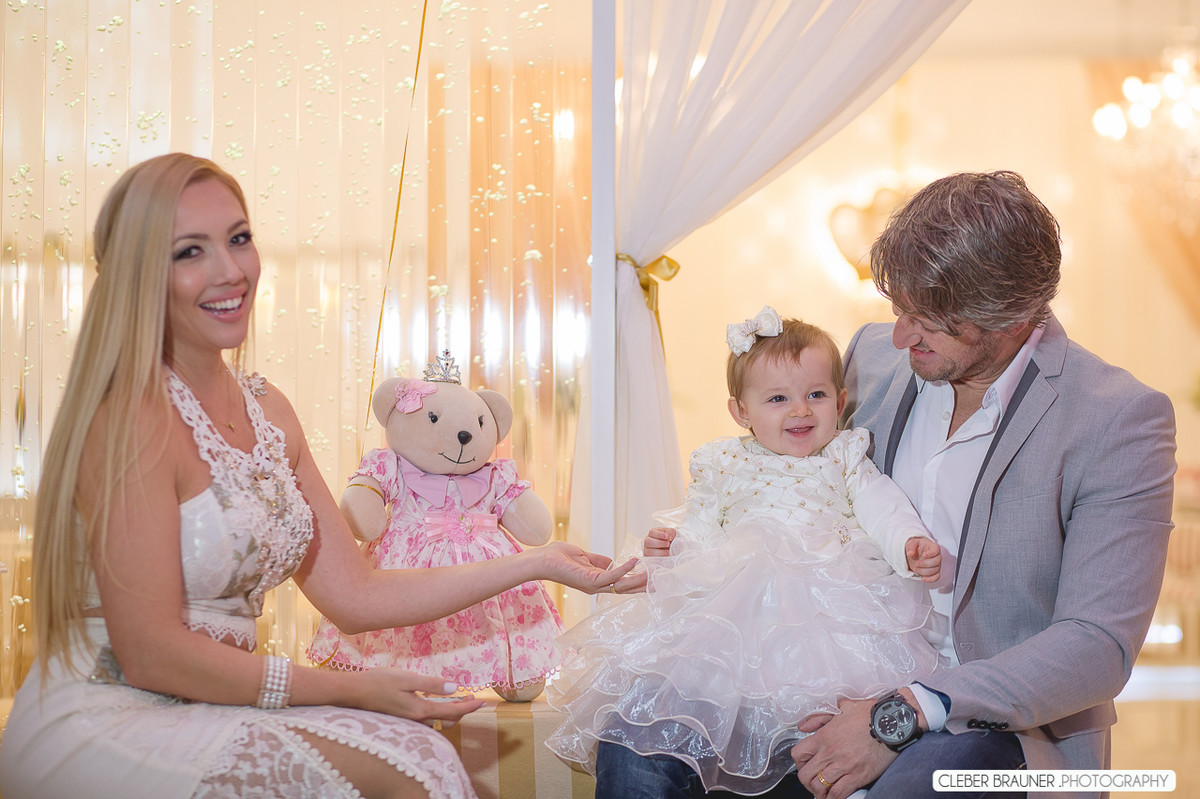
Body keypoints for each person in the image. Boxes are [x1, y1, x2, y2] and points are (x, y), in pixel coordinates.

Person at [0, 152, 637, 799]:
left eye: (238, 238)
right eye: (190, 251)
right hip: (107, 715)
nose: (230, 270)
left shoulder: (269, 410)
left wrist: (536, 563)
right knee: (412, 769)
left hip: (210, 705)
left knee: (427, 755)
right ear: (139, 275)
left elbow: (355, 593)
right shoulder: (129, 418)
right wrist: (354, 686)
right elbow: (151, 653)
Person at [620, 171, 1176, 799]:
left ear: (1013, 314)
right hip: (832, 676)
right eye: (899, 309)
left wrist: (907, 708)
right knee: (638, 743)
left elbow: (1098, 646)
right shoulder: (871, 358)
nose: (901, 336)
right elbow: (787, 483)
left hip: (1001, 726)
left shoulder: (1116, 417)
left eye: (929, 321)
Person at [549, 307, 945, 796]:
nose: (800, 410)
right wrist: (668, 554)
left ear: (840, 401)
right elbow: (698, 527)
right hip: (729, 621)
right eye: (777, 398)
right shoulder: (723, 461)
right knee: (654, 718)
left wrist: (907, 542)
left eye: (816, 395)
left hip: (825, 619)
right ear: (741, 412)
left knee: (812, 731)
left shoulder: (844, 456)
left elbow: (882, 504)